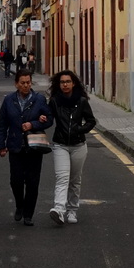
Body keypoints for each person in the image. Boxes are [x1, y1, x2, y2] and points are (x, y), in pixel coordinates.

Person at [0, 69, 52, 226]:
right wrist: (0, 145)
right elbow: (2, 124)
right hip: (15, 146)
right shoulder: (8, 101)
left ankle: (28, 214)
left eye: (28, 82)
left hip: (34, 147)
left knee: (33, 182)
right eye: (23, 83)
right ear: (16, 84)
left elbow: (49, 120)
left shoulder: (39, 99)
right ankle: (19, 205)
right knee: (16, 181)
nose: (26, 85)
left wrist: (34, 123)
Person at [48, 70, 97, 226]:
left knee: (75, 180)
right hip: (60, 144)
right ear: (59, 84)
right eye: (62, 82)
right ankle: (59, 210)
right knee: (62, 177)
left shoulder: (81, 101)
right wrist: (42, 118)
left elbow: (91, 121)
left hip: (78, 145)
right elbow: (49, 119)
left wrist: (79, 130)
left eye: (68, 81)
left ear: (73, 83)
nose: (65, 85)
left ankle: (72, 210)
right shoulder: (55, 101)